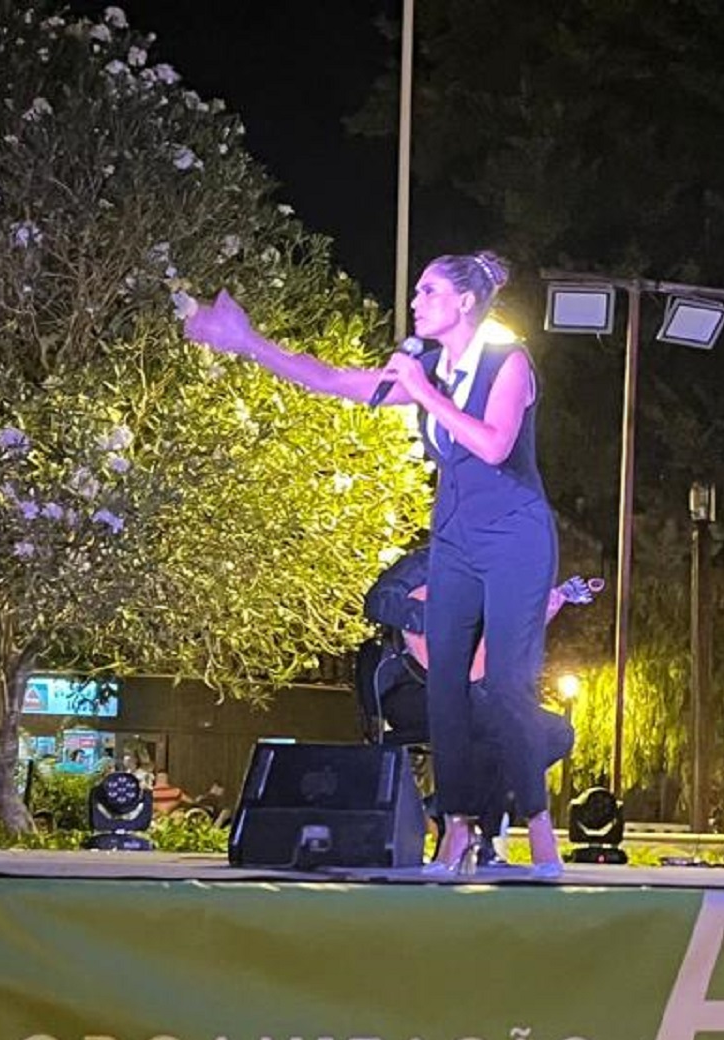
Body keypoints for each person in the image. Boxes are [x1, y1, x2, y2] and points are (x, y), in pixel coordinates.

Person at [187, 249, 562, 879]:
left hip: (515, 535)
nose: (414, 303)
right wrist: (248, 342)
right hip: (456, 537)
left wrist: (420, 391)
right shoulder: (427, 370)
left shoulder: (508, 364)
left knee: (505, 687)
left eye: (428, 291)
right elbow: (332, 379)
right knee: (445, 687)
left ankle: (543, 842)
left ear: (465, 302)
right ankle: (458, 833)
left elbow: (495, 443)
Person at [360, 543, 578, 865]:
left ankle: (457, 820)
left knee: (555, 733)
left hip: (470, 693)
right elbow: (379, 602)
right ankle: (474, 833)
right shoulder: (423, 563)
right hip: (412, 689)